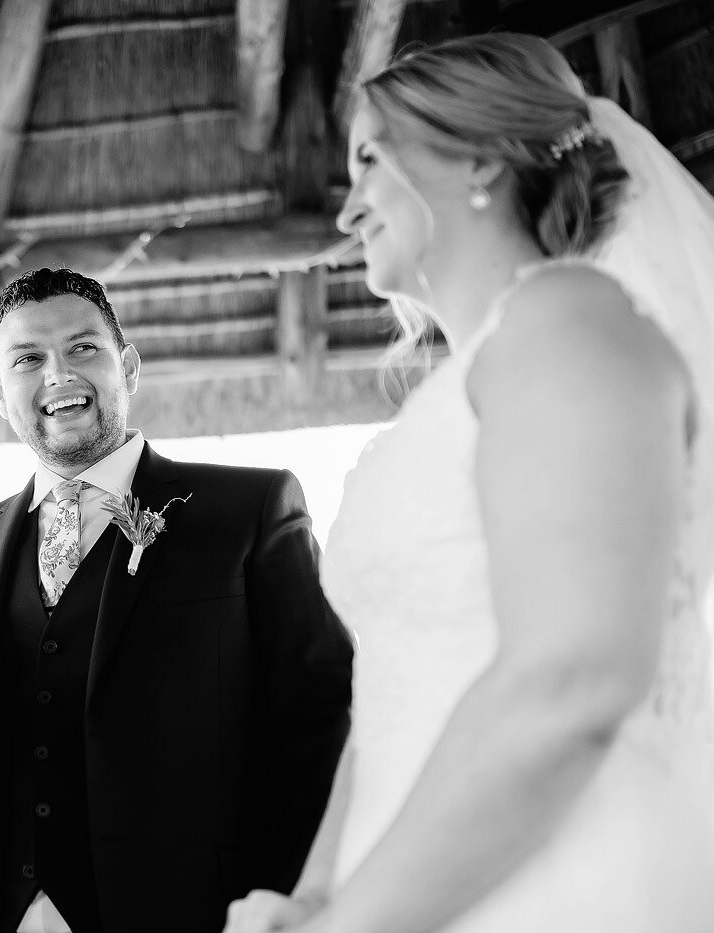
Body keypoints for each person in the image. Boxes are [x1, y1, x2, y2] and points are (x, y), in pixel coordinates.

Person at [225, 32, 714, 933]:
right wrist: (315, 895)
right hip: (416, 886)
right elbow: (386, 702)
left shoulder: (570, 321)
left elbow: (574, 673)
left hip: (558, 884)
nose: (346, 210)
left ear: (481, 154)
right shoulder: (454, 396)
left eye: (370, 157)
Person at [0, 267, 355, 933]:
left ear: (129, 367)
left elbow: (317, 731)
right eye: (28, 358)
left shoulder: (252, 511)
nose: (58, 374)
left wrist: (287, 911)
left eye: (83, 348)